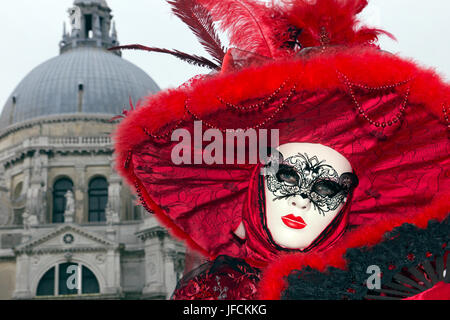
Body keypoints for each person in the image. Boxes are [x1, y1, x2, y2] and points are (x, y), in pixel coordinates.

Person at [112, 0, 449, 299]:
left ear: (348, 201)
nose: (301, 199)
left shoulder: (398, 282)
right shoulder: (215, 293)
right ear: (256, 181)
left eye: (326, 187)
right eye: (287, 175)